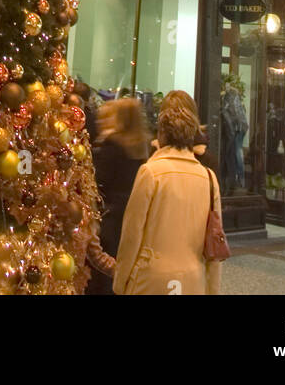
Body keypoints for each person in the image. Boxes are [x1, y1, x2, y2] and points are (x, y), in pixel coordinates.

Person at [114, 92, 222, 295]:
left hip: (151, 279)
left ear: (161, 133)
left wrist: (120, 281)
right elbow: (215, 242)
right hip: (193, 279)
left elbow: (132, 234)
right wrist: (212, 289)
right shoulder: (208, 177)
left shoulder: (150, 172)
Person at [85, 97, 149, 296]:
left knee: (104, 266)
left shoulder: (112, 143)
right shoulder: (143, 147)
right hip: (131, 211)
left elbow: (100, 181)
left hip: (110, 213)